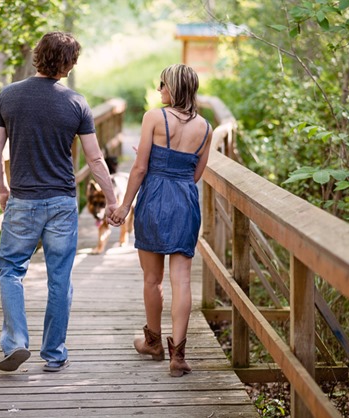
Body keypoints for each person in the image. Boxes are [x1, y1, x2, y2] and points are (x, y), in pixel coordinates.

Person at [0, 31, 119, 373]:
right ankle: (55, 354)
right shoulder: (76, 102)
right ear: (68, 64)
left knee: (10, 270)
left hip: (23, 200)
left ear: (38, 56)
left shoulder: (8, 96)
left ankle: (16, 342)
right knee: (60, 278)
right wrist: (113, 197)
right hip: (61, 201)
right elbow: (94, 159)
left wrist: (2, 188)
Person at [110, 64, 212, 377]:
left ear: (175, 88)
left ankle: (153, 342)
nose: (159, 90)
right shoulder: (206, 128)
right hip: (184, 202)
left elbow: (139, 169)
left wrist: (124, 206)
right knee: (181, 279)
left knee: (152, 279)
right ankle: (178, 356)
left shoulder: (155, 117)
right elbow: (195, 174)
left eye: (163, 85)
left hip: (154, 199)